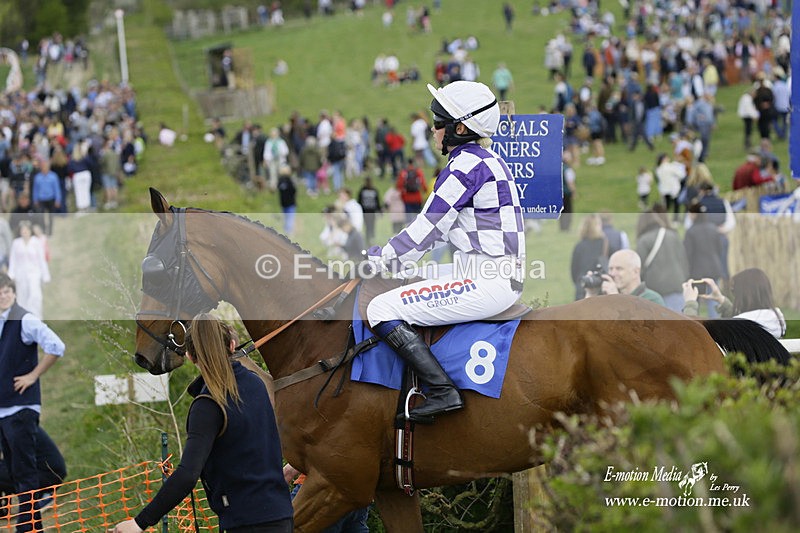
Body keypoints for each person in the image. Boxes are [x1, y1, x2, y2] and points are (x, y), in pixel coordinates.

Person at [365, 81, 525, 424]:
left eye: (438, 123)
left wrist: (379, 260)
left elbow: (426, 231)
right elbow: (437, 236)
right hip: (486, 273)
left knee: (380, 307)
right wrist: (395, 261)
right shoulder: (483, 160)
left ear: (460, 128)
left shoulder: (465, 165)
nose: (433, 130)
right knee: (402, 286)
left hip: (485, 280)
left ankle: (442, 390)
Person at [113, 313, 293, 533]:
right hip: (282, 515)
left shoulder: (208, 405)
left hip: (246, 522)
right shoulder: (256, 384)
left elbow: (187, 474)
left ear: (190, 356)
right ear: (233, 345)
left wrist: (139, 523)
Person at [0, 273, 65, 532]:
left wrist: (33, 375)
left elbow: (56, 346)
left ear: (14, 292)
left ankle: (25, 529)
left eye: (6, 290)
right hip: (2, 411)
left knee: (26, 473)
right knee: (17, 472)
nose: (3, 295)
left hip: (21, 408)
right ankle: (31, 526)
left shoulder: (24, 319)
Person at [682, 269, 786, 339]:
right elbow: (748, 321)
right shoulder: (777, 320)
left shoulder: (740, 326)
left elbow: (696, 336)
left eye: (734, 291)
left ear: (743, 295)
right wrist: (721, 300)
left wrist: (690, 303)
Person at [0, 425, 67, 517]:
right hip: (50, 472)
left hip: (47, 473)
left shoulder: (9, 423)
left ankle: (41, 495)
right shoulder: (12, 419)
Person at [635, 209, 688, 312]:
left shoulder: (643, 240)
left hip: (655, 290)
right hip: (677, 285)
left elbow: (639, 268)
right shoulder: (673, 235)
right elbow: (683, 261)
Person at [585, 249, 665, 306]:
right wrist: (591, 295)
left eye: (619, 268)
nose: (613, 273)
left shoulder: (652, 299)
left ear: (635, 272)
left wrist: (616, 299)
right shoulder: (607, 298)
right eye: (610, 269)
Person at [8, 221, 50, 319]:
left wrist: (45, 275)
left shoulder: (36, 242)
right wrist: (11, 274)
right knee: (21, 297)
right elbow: (13, 260)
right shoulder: (16, 243)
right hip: (20, 274)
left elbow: (41, 259)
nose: (25, 232)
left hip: (34, 273)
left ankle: (37, 318)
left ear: (30, 231)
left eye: (26, 230)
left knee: (35, 296)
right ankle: (23, 319)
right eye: (23, 230)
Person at [570, 214, 607, 300]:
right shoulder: (605, 244)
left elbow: (574, 271)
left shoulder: (579, 246)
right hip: (599, 286)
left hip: (582, 285)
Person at [396, 158, 428, 222]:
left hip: (407, 198)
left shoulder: (404, 172)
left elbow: (399, 185)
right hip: (417, 198)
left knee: (409, 220)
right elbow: (423, 185)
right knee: (418, 219)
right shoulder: (418, 171)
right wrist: (425, 191)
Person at [357, 177, 381, 246]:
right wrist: (379, 210)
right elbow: (377, 202)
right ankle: (371, 239)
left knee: (368, 226)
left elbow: (359, 201)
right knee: (371, 226)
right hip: (371, 211)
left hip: (365, 211)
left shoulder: (362, 190)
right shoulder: (374, 190)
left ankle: (368, 239)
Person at [276, 166, 297, 236]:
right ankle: (289, 230)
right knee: (290, 217)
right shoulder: (290, 180)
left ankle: (286, 229)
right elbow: (293, 190)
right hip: (291, 202)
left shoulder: (280, 181)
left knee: (285, 216)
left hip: (283, 203)